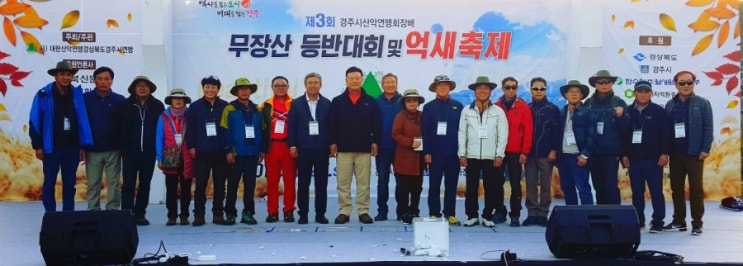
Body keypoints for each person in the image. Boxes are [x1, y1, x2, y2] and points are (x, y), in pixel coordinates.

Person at [29, 61, 93, 212]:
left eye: (69, 75)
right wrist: (38, 146)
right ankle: (50, 214)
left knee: (70, 183)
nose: (65, 77)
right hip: (51, 147)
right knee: (49, 182)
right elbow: (34, 121)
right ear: (56, 76)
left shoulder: (77, 94)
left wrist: (82, 145)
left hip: (72, 147)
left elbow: (82, 120)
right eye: (62, 74)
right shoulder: (44, 94)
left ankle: (68, 214)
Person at [328, 66, 381, 224]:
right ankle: (344, 211)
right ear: (346, 80)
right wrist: (332, 142)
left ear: (361, 79)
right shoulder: (337, 101)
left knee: (363, 183)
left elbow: (376, 124)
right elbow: (332, 124)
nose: (354, 81)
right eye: (351, 78)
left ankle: (363, 211)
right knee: (343, 183)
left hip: (364, 148)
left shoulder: (370, 101)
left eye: (357, 78)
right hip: (343, 148)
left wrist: (375, 141)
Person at [664, 71, 713, 236]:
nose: (686, 86)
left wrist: (705, 149)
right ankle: (679, 221)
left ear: (693, 84)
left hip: (694, 154)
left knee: (696, 190)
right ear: (676, 84)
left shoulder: (703, 103)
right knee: (676, 188)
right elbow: (666, 130)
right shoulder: (670, 104)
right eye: (682, 83)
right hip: (675, 154)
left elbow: (708, 127)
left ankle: (697, 223)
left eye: (689, 82)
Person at [457, 77, 508, 228]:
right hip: (471, 155)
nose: (482, 91)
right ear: (474, 91)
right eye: (479, 88)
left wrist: (499, 154)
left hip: (491, 156)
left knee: (491, 187)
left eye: (486, 88)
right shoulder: (466, 110)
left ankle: (487, 215)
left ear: (490, 91)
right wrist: (462, 154)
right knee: (471, 187)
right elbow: (462, 133)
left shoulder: (498, 111)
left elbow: (503, 134)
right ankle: (472, 216)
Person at [621, 81, 671, 233]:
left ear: (651, 94)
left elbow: (666, 134)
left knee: (656, 192)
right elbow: (622, 135)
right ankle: (638, 220)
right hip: (634, 160)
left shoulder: (659, 111)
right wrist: (623, 154)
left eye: (646, 92)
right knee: (637, 192)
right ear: (634, 93)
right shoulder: (627, 111)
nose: (643, 94)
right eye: (640, 91)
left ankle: (658, 221)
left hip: (653, 159)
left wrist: (664, 153)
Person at [120, 76, 165, 225]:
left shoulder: (158, 106)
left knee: (145, 184)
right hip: (130, 152)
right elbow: (121, 128)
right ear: (134, 88)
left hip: (149, 152)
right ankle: (127, 213)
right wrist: (123, 148)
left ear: (150, 88)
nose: (142, 88)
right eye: (139, 85)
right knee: (128, 184)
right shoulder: (126, 105)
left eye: (145, 85)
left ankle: (140, 214)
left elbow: (161, 130)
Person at [288, 72, 332, 224]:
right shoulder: (297, 103)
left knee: (321, 183)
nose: (313, 85)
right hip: (303, 149)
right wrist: (292, 145)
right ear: (305, 85)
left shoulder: (327, 103)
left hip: (322, 149)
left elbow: (331, 126)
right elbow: (292, 126)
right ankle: (303, 214)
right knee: (303, 183)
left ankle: (320, 214)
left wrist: (332, 143)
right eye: (310, 83)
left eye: (316, 82)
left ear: (321, 85)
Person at [185, 75, 229, 226]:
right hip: (201, 152)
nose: (210, 90)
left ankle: (218, 214)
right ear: (203, 88)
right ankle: (199, 215)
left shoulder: (225, 106)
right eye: (207, 87)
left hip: (220, 152)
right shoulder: (195, 106)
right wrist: (192, 146)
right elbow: (189, 128)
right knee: (201, 186)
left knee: (220, 185)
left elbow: (228, 129)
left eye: (213, 87)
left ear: (218, 89)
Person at [421, 74, 463, 226]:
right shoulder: (428, 107)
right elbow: (425, 131)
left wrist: (462, 153)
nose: (443, 87)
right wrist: (427, 152)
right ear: (435, 88)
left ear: (450, 87)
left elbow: (462, 131)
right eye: (439, 85)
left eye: (446, 84)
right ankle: (434, 213)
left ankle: (450, 214)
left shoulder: (458, 106)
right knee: (434, 185)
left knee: (451, 186)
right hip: (435, 153)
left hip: (453, 153)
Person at [221, 78, 264, 225]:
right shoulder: (229, 109)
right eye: (241, 89)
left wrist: (261, 150)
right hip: (235, 154)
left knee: (250, 185)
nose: (244, 91)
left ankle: (248, 214)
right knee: (232, 185)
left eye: (247, 89)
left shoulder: (257, 109)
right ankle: (230, 214)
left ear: (251, 91)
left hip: (252, 154)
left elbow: (261, 130)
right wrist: (228, 151)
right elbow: (224, 132)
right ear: (236, 92)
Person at [585, 70, 630, 205]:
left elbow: (625, 129)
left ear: (612, 84)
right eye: (600, 82)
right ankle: (601, 217)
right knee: (598, 187)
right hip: (593, 152)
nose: (604, 85)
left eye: (607, 82)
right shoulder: (588, 103)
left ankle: (615, 220)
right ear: (595, 85)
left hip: (611, 153)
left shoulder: (619, 102)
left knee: (611, 187)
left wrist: (621, 117)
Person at [83, 66, 125, 211]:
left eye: (107, 79)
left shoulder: (120, 100)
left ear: (112, 81)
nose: (103, 82)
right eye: (99, 79)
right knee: (93, 182)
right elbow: (81, 123)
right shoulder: (85, 99)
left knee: (113, 182)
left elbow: (123, 125)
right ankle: (93, 209)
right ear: (94, 80)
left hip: (113, 148)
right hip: (92, 149)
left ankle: (112, 209)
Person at [494, 77, 533, 227]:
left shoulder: (523, 107)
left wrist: (525, 151)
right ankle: (500, 212)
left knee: (515, 185)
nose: (511, 90)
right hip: (499, 151)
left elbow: (528, 131)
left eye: (513, 87)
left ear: (516, 89)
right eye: (507, 87)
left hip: (516, 152)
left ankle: (515, 214)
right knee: (497, 183)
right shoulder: (496, 106)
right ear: (502, 88)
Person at [523, 77, 561, 226]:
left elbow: (557, 132)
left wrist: (553, 150)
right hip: (530, 154)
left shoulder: (553, 109)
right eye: (536, 88)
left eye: (542, 88)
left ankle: (543, 213)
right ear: (531, 90)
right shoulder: (527, 107)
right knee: (530, 185)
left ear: (546, 90)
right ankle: (532, 213)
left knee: (546, 185)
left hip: (546, 155)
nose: (539, 91)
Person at [156, 88, 194, 226]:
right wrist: (159, 157)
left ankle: (184, 215)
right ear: (171, 100)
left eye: (181, 98)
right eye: (175, 98)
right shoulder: (163, 116)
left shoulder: (190, 115)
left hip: (187, 155)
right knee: (171, 188)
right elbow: (159, 137)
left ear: (184, 101)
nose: (178, 101)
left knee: (186, 188)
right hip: (169, 155)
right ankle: (171, 216)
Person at [261, 76, 297, 223]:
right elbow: (261, 128)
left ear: (288, 87)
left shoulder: (295, 104)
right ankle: (272, 212)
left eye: (283, 85)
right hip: (272, 147)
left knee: (290, 181)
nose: (280, 88)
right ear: (272, 87)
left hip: (289, 146)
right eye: (277, 85)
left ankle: (289, 210)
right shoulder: (265, 106)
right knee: (272, 182)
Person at [557, 80, 597, 205]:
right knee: (567, 188)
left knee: (583, 188)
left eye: (577, 92)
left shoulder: (587, 112)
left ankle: (588, 219)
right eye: (571, 92)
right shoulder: (562, 112)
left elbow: (592, 136)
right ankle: (573, 218)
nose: (574, 94)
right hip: (563, 156)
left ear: (582, 96)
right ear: (565, 95)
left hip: (578, 156)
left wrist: (584, 155)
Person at [391, 89, 426, 225]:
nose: (412, 102)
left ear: (418, 102)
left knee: (417, 188)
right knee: (403, 188)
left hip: (419, 159)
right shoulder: (400, 116)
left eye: (414, 100)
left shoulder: (423, 116)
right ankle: (403, 212)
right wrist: (411, 142)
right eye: (409, 100)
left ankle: (414, 210)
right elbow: (395, 134)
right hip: (404, 157)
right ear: (404, 102)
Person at [374, 73, 402, 221]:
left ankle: (401, 211)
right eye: (387, 82)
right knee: (382, 181)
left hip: (401, 149)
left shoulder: (404, 101)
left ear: (397, 84)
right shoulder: (375, 101)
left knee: (401, 182)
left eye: (393, 82)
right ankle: (382, 211)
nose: (390, 85)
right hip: (382, 147)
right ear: (382, 85)